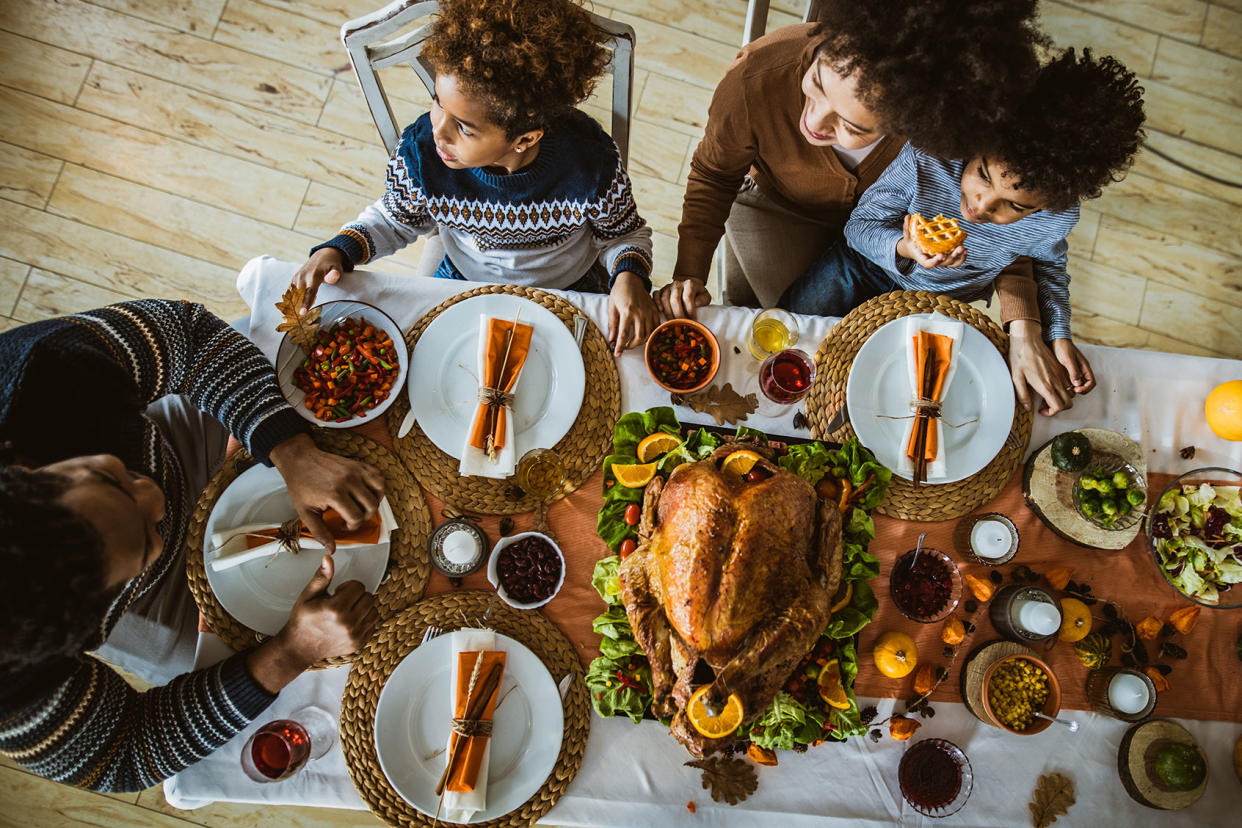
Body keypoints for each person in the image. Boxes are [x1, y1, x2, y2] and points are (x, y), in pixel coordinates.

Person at [0, 300, 385, 792]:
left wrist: (289, 448)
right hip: (159, 597)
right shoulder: (12, 682)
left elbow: (189, 335)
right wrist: (292, 651)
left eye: (110, 476)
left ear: (23, 468)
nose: (153, 498)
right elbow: (125, 752)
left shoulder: (40, 372)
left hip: (178, 441)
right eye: (144, 538)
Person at [655, 1, 1089, 414]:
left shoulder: (949, 141)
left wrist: (1030, 326)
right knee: (782, 332)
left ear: (918, 125)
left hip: (891, 248)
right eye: (818, 83)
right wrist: (689, 271)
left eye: (852, 126)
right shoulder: (757, 76)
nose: (813, 123)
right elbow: (714, 176)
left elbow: (1013, 243)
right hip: (783, 207)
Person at [780, 49, 1146, 413]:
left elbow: (1047, 268)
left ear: (1048, 205)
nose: (982, 206)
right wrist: (905, 248)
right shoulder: (930, 158)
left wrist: (1057, 333)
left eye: (1015, 206)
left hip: (942, 307)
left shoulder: (1055, 218)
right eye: (983, 175)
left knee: (888, 393)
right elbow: (859, 227)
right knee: (791, 333)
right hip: (862, 269)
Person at [294, 0, 659, 357]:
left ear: (525, 139)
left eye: (465, 129)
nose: (438, 130)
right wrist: (338, 249)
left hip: (569, 284)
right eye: (437, 101)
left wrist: (629, 276)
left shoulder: (590, 162)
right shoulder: (423, 152)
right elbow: (395, 219)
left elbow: (624, 235)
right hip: (463, 277)